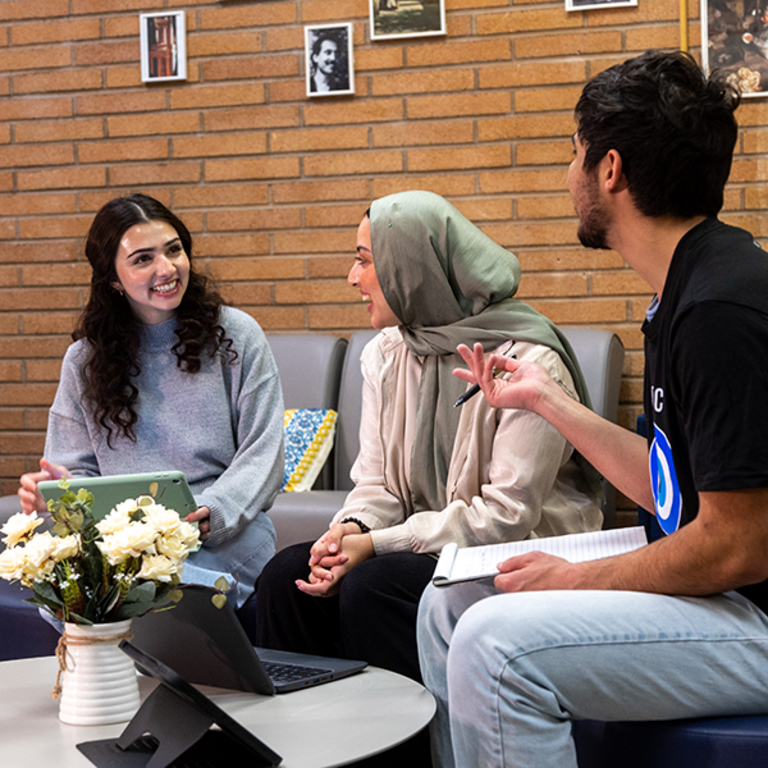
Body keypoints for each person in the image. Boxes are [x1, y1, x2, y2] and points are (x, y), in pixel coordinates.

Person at [417, 49, 768, 768]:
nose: (567, 174)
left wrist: (573, 577)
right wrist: (548, 401)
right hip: (733, 594)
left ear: (610, 169)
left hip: (754, 613)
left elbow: (739, 545)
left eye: (573, 152)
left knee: (495, 646)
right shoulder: (685, 288)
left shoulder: (719, 310)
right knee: (448, 603)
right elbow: (675, 488)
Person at [255, 190, 602, 696]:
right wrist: (350, 530)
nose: (352, 278)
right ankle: (303, 732)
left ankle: (408, 736)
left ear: (410, 269)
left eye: (364, 260)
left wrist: (376, 545)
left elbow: (506, 516)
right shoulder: (386, 353)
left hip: (514, 552)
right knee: (286, 577)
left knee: (375, 587)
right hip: (420, 547)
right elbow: (377, 484)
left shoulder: (529, 359)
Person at [17, 193, 284, 609]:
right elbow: (74, 471)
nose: (167, 269)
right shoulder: (83, 361)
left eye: (173, 250)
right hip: (124, 546)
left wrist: (213, 512)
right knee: (63, 592)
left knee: (147, 595)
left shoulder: (237, 335)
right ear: (113, 279)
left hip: (222, 534)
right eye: (143, 259)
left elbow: (264, 454)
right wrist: (60, 492)